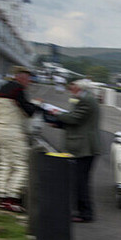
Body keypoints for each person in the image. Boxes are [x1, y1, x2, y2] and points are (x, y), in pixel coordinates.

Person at [44, 79, 102, 222]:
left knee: (80, 181)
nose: (70, 89)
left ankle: (85, 213)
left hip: (85, 147)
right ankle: (82, 212)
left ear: (80, 88)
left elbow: (74, 118)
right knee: (79, 181)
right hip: (84, 146)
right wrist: (60, 124)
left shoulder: (86, 101)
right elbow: (78, 122)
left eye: (73, 87)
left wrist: (56, 114)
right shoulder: (85, 99)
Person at [0, 66, 40, 213]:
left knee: (5, 163)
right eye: (28, 78)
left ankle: (1, 196)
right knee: (21, 164)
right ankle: (12, 198)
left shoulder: (3, 88)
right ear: (21, 77)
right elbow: (29, 111)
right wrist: (37, 104)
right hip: (12, 130)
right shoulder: (18, 89)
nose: (29, 81)